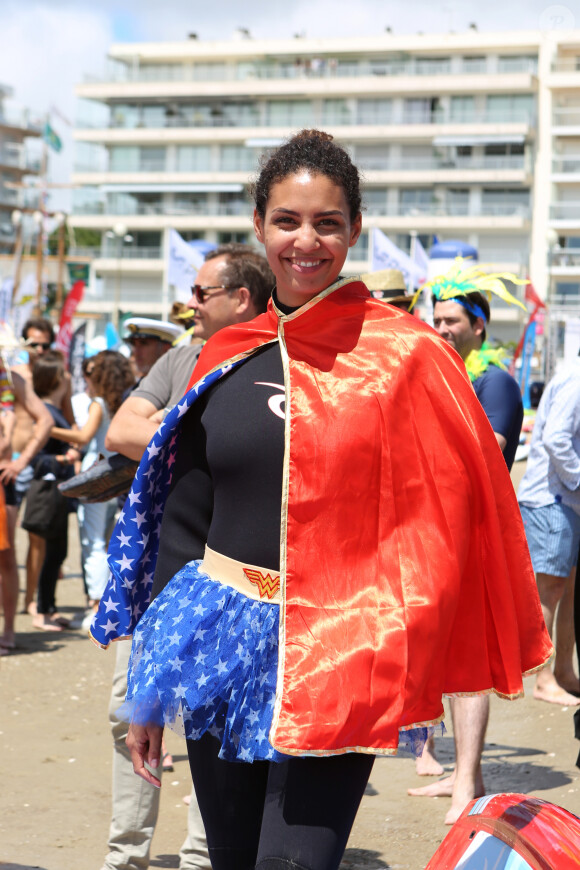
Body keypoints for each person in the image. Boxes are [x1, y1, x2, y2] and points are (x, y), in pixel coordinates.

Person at [91, 130, 551, 870]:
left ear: (355, 230)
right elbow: (184, 519)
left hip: (344, 649)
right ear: (260, 226)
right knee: (231, 861)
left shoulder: (408, 355)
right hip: (217, 639)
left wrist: (406, 631)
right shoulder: (225, 350)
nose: (307, 241)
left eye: (327, 223)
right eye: (287, 221)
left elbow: (457, 510)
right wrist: (148, 691)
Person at [99, 244, 273, 870]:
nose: (190, 304)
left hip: (241, 581)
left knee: (222, 721)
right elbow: (121, 430)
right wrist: (195, 436)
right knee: (133, 713)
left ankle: (204, 856)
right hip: (162, 571)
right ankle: (127, 856)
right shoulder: (182, 358)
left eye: (201, 293)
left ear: (242, 298)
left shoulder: (275, 362)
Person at [408, 264, 525, 823]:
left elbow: (489, 446)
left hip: (476, 538)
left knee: (470, 663)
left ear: (480, 326)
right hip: (436, 533)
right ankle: (463, 774)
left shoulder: (493, 380)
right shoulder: (446, 377)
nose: (442, 329)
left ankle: (465, 787)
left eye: (452, 321)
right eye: (435, 321)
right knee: (444, 661)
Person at [51, 351, 135, 629]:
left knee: (93, 543)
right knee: (111, 542)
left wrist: (46, 427)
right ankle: (105, 605)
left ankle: (96, 606)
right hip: (117, 477)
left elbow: (84, 437)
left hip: (95, 476)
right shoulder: (128, 400)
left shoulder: (98, 403)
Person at [518, 352, 580, 708]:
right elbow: (557, 438)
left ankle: (563, 672)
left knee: (567, 588)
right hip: (550, 498)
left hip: (564, 499)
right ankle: (543, 679)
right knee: (550, 591)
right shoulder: (574, 378)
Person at [11, 317, 74, 615]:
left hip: (42, 465)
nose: (38, 349)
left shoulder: (61, 378)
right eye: (32, 343)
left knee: (38, 537)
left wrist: (75, 448)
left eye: (45, 344)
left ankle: (31, 601)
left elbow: (69, 419)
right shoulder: (14, 375)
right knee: (6, 540)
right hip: (12, 461)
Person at [0, 358, 52, 648]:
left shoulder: (12, 381)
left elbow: (45, 420)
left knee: (5, 557)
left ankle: (8, 630)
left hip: (2, 478)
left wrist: (20, 462)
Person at [28, 351, 79, 631]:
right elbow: (35, 457)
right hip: (48, 491)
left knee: (57, 552)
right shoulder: (46, 413)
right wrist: (64, 458)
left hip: (56, 491)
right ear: (57, 378)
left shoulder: (55, 410)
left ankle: (49, 608)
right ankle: (42, 613)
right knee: (51, 552)